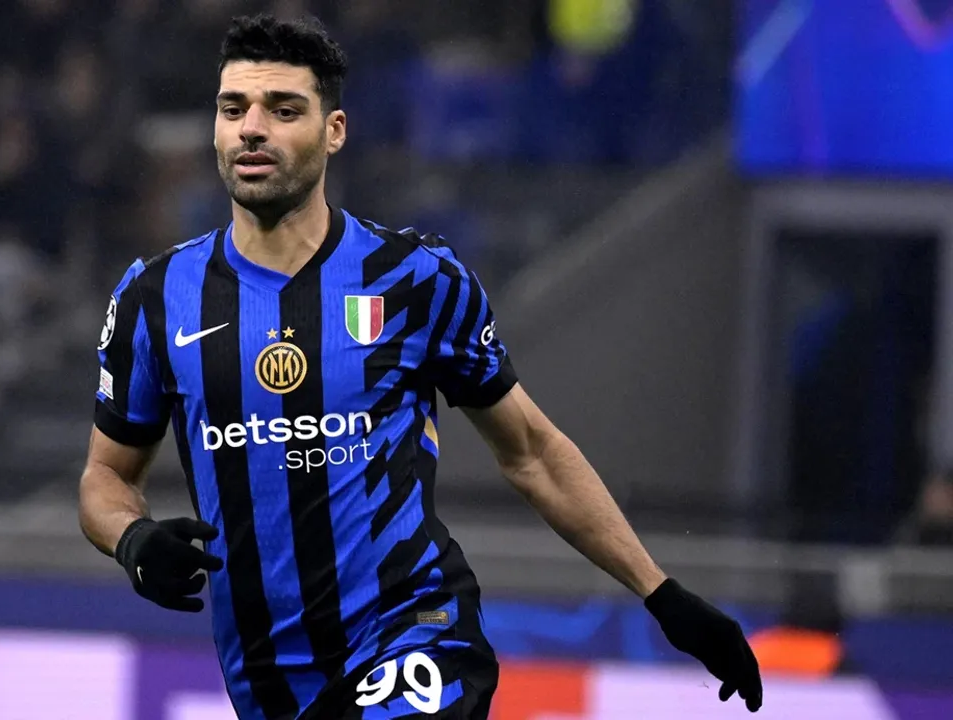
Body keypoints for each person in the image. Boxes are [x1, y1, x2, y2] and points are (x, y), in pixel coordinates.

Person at [77, 14, 763, 720]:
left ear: (334, 131)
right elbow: (106, 477)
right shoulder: (155, 299)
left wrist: (662, 594)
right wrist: (133, 539)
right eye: (233, 109)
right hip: (269, 679)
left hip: (416, 631)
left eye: (283, 110)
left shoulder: (414, 278)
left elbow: (531, 452)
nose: (252, 129)